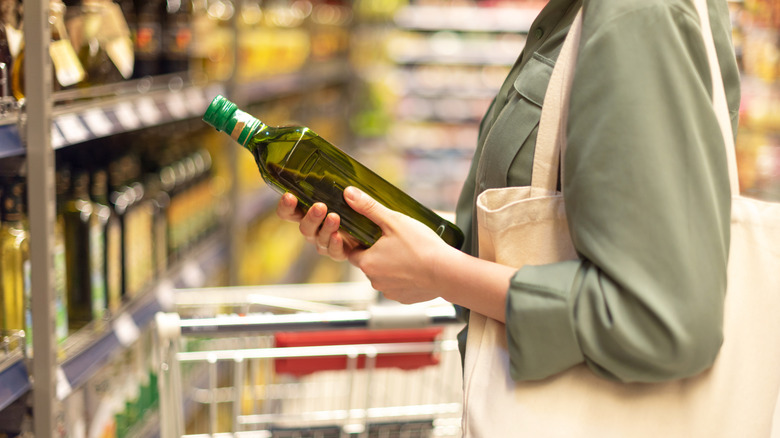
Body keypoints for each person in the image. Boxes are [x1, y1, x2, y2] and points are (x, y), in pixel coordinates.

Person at [277, 0, 740, 383]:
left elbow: (660, 323)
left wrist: (441, 271)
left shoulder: (638, 14)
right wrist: (404, 246)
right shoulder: (575, 15)